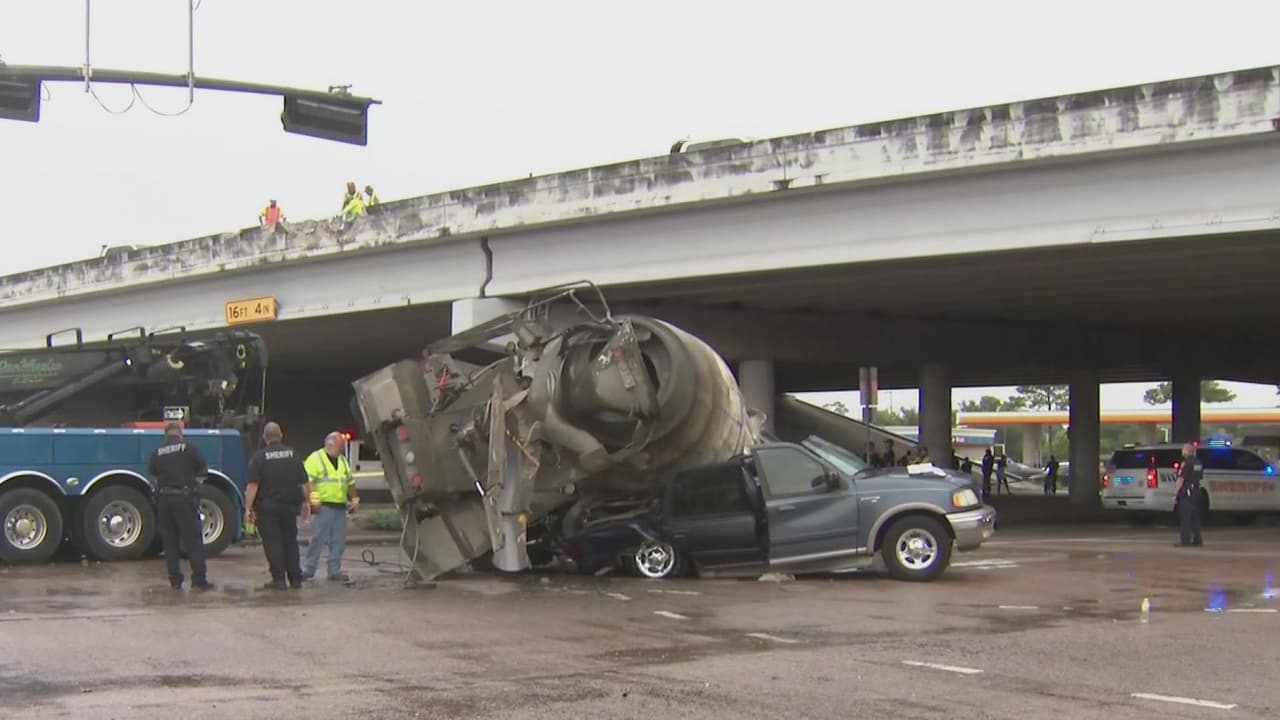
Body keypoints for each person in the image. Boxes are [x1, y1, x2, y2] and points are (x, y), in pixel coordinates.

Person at [148, 422, 214, 591]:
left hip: (163, 500)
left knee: (170, 542)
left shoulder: (157, 452)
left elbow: (153, 474)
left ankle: (175, 581)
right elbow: (203, 470)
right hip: (183, 499)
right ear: (180, 434)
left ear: (166, 435)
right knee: (193, 541)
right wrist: (195, 486)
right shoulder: (189, 448)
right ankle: (199, 580)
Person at [245, 422, 311, 590]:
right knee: (290, 541)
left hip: (267, 508)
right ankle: (295, 579)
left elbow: (253, 486)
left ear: (265, 438)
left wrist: (248, 508)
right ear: (281, 435)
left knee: (273, 543)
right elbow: (304, 482)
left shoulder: (259, 457)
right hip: (289, 507)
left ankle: (279, 580)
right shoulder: (293, 454)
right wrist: (307, 502)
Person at [302, 432, 360, 583]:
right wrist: (314, 500)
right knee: (317, 539)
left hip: (340, 506)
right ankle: (308, 569)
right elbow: (309, 482)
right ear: (330, 444)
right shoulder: (315, 459)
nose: (342, 449)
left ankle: (334, 571)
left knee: (338, 541)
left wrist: (354, 499)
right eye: (340, 446)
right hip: (324, 507)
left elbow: (350, 482)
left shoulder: (342, 461)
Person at [1174, 443, 1204, 547]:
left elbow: (1181, 479)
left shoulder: (1186, 463)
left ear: (1187, 451)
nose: (1182, 451)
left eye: (1183, 450)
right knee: (1195, 517)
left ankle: (1185, 540)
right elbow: (1200, 477)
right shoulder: (1198, 463)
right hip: (1196, 491)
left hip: (1187, 492)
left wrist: (1176, 493)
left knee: (1186, 517)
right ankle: (1197, 539)